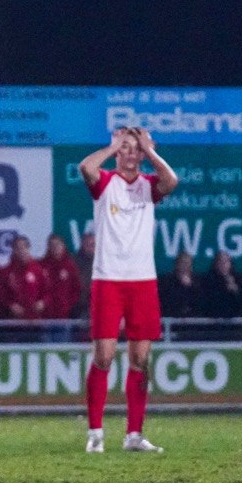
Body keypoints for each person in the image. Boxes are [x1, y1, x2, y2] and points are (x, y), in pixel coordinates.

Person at [78, 127, 178, 454]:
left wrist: (150, 151)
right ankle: (95, 432)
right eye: (125, 148)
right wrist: (111, 146)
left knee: (140, 359)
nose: (130, 154)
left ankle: (134, 434)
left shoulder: (149, 186)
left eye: (135, 149)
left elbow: (171, 181)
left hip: (142, 280)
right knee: (104, 356)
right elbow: (86, 168)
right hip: (108, 278)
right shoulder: (106, 182)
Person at [0, 235, 52, 320]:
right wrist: (10, 304)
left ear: (28, 248)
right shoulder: (6, 271)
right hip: (14, 320)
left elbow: (48, 291)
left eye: (24, 247)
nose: (21, 250)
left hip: (35, 319)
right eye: (18, 248)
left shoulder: (38, 270)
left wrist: (43, 302)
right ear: (14, 250)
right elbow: (1, 293)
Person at [199, 250, 242, 319]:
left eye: (226, 262)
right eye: (220, 262)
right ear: (216, 264)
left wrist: (235, 291)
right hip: (213, 321)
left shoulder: (237, 279)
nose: (223, 265)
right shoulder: (209, 281)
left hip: (234, 321)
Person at [158, 251, 198, 319]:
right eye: (182, 263)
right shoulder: (166, 282)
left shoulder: (197, 282)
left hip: (194, 320)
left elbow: (199, 301)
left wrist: (191, 286)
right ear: (177, 265)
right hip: (172, 319)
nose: (185, 266)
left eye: (188, 263)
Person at [72, 231, 96, 317]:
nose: (90, 248)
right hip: (78, 305)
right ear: (82, 244)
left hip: (97, 304)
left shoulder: (103, 262)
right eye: (87, 244)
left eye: (92, 245)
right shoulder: (74, 262)